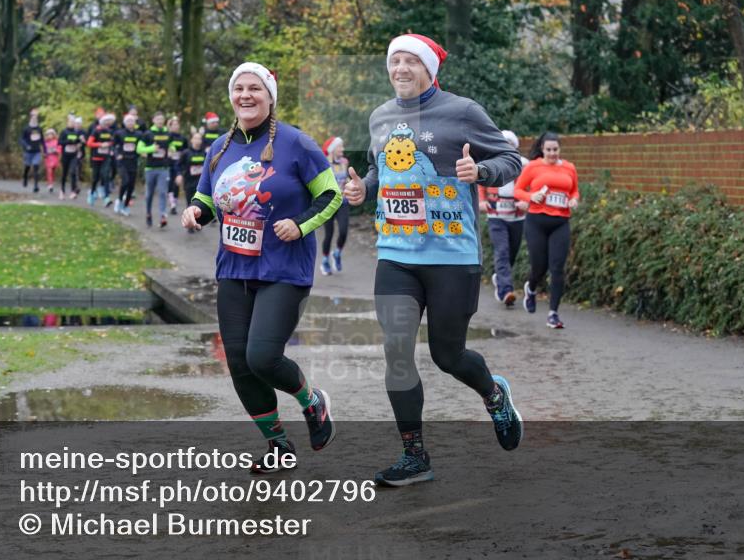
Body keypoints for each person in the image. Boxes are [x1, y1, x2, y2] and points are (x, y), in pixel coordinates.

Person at [343, 33, 524, 486]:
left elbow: (511, 159)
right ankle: (414, 456)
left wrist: (479, 171)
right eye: (394, 61)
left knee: (448, 355)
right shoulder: (380, 116)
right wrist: (363, 189)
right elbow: (376, 169)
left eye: (410, 61)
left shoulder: (462, 112)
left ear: (429, 69)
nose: (400, 69)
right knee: (397, 350)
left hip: (451, 256)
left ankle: (493, 393)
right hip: (396, 255)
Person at [181, 62, 341, 473]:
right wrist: (195, 213)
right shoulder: (218, 149)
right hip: (234, 269)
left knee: (262, 357)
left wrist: (301, 224)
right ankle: (278, 446)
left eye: (255, 88)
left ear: (270, 97)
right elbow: (207, 200)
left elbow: (331, 196)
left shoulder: (298, 144)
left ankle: (312, 402)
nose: (246, 95)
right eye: (239, 88)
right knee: (238, 363)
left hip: (283, 269)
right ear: (232, 96)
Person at [512, 132, 579, 329]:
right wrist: (531, 197)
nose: (552, 153)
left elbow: (574, 190)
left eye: (555, 150)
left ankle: (553, 313)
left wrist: (574, 199)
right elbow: (518, 190)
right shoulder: (533, 167)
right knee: (539, 267)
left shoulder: (569, 167)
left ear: (560, 149)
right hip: (537, 221)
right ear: (542, 149)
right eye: (548, 150)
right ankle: (531, 288)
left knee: (557, 268)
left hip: (560, 222)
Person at [477, 130, 529, 305]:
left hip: (517, 217)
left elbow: (531, 185)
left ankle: (500, 277)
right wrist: (482, 202)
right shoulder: (489, 163)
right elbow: (480, 184)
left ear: (515, 147)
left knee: (511, 253)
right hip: (496, 215)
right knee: (503, 251)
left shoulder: (524, 165)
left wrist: (526, 201)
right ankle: (506, 291)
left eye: (510, 144)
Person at [319, 136, 350, 275]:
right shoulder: (323, 163)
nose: (342, 149)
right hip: (328, 204)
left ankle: (337, 253)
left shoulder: (344, 162)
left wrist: (351, 184)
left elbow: (346, 178)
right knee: (329, 234)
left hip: (343, 202)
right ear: (332, 149)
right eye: (340, 146)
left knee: (343, 231)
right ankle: (325, 260)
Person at [138, 116, 173, 227]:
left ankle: (163, 215)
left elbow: (172, 145)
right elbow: (139, 149)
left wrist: (172, 149)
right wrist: (151, 149)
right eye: (158, 119)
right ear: (153, 120)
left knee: (163, 192)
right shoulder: (148, 134)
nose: (160, 121)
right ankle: (148, 213)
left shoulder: (167, 133)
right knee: (149, 194)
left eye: (161, 119)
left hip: (163, 168)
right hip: (150, 169)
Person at [176, 130, 207, 233]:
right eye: (196, 138)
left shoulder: (205, 153)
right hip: (189, 182)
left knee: (201, 203)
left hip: (201, 183)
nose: (198, 141)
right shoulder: (186, 153)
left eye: (199, 139)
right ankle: (190, 224)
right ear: (192, 140)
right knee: (190, 203)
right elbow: (178, 165)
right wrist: (179, 175)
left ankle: (199, 222)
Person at [114, 114, 145, 216]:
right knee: (125, 181)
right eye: (128, 121)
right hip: (122, 162)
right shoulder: (119, 133)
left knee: (131, 185)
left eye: (132, 121)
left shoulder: (138, 134)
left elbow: (142, 145)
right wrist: (117, 154)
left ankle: (126, 205)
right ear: (124, 123)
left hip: (133, 161)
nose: (130, 123)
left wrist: (142, 153)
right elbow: (114, 146)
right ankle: (119, 200)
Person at [86, 112, 116, 206]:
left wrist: (110, 146)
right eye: (106, 121)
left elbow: (112, 142)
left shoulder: (110, 132)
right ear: (102, 122)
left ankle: (106, 197)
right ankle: (92, 193)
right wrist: (100, 145)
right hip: (96, 157)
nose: (108, 123)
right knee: (95, 177)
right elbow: (89, 143)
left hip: (106, 157)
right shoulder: (96, 131)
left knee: (105, 175)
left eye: (109, 122)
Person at [59, 116, 86, 200]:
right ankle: (62, 191)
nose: (72, 123)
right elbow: (59, 142)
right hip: (65, 155)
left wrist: (81, 141)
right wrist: (68, 142)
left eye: (74, 122)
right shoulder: (64, 132)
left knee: (73, 172)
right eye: (71, 122)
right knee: (64, 173)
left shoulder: (76, 132)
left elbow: (80, 142)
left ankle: (73, 191)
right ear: (67, 122)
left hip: (74, 155)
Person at [19, 109, 44, 192]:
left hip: (37, 151)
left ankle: (36, 186)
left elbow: (42, 140)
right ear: (30, 118)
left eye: (36, 117)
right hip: (28, 152)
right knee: (27, 167)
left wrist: (45, 150)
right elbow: (21, 139)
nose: (35, 119)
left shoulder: (39, 129)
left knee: (36, 166)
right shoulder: (26, 129)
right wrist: (26, 146)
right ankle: (25, 177)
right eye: (33, 117)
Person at [166, 116, 186, 213]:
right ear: (170, 126)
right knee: (170, 183)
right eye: (173, 125)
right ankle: (172, 204)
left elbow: (186, 150)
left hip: (178, 164)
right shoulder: (168, 136)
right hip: (169, 163)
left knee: (177, 184)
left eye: (177, 124)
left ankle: (174, 203)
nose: (176, 126)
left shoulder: (182, 138)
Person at [43, 128, 61, 194]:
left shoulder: (56, 141)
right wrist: (45, 153)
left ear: (53, 135)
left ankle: (51, 183)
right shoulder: (45, 142)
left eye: (51, 134)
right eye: (48, 134)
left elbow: (59, 149)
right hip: (48, 158)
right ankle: (50, 184)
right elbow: (44, 150)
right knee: (49, 171)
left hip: (54, 158)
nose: (50, 136)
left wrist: (56, 151)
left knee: (52, 172)